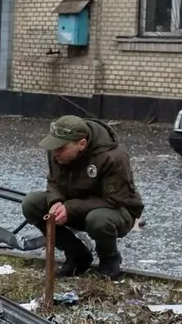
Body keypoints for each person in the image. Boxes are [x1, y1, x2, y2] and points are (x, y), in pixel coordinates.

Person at [22, 115, 144, 281]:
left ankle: (109, 261)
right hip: (74, 207)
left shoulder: (113, 157)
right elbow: (53, 181)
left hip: (116, 211)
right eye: (54, 147)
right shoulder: (56, 151)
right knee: (32, 203)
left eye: (61, 148)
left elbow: (113, 200)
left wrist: (70, 208)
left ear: (82, 144)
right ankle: (77, 255)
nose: (55, 152)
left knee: (98, 220)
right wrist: (56, 202)